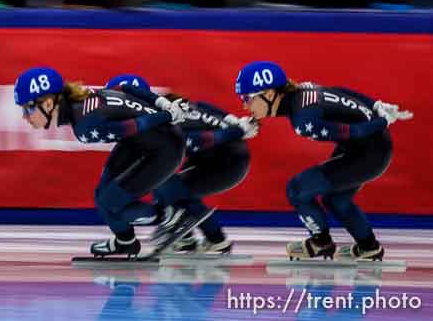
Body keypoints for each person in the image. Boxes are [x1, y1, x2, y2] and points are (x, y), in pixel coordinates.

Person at [235, 60, 413, 261]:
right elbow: (340, 91)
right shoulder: (303, 89)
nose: (243, 104)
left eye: (247, 98)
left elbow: (354, 131)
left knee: (297, 189)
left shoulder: (303, 119)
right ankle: (368, 247)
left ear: (269, 94)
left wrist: (383, 120)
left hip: (369, 151)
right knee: (336, 199)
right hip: (366, 145)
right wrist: (375, 105)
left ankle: (321, 243)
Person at [13, 65, 186, 259]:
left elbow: (133, 126)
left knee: (111, 201)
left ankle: (171, 217)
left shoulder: (84, 125)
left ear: (47, 104)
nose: (25, 117)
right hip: (143, 140)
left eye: (28, 108)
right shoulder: (82, 97)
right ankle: (125, 243)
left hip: (165, 149)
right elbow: (124, 88)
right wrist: (161, 103)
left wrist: (167, 114)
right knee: (102, 198)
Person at [107, 72, 256, 255]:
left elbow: (198, 139)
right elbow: (201, 105)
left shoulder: (162, 119)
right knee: (173, 186)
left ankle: (212, 240)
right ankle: (196, 239)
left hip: (227, 161)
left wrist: (235, 131)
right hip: (223, 155)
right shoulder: (169, 105)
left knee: (164, 183)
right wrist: (231, 120)